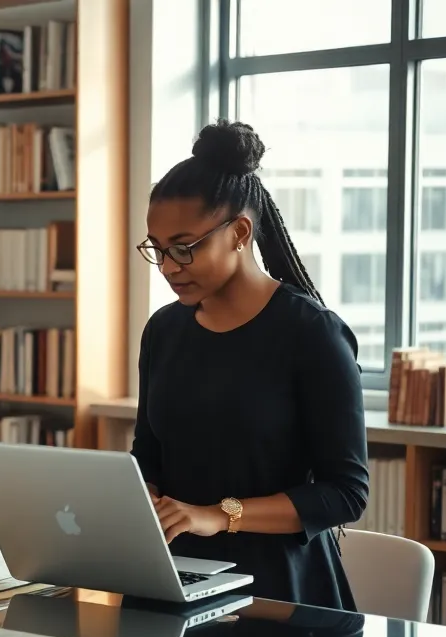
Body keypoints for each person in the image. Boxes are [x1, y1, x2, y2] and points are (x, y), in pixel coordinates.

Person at [131, 119, 369, 610]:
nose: (169, 266)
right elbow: (148, 457)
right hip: (174, 579)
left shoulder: (312, 333)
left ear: (239, 232)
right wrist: (134, 501)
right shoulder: (164, 331)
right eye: (157, 249)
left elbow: (344, 493)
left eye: (184, 247)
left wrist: (218, 514)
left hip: (279, 592)